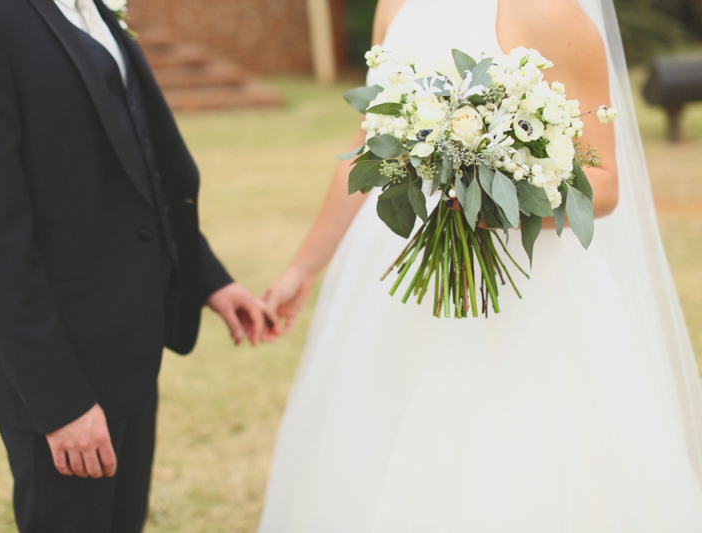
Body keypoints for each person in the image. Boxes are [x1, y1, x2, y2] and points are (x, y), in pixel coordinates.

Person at [258, 0, 702, 530]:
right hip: (405, 283)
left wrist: (499, 201)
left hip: (527, 288)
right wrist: (305, 267)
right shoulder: (394, 8)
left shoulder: (551, 15)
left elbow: (602, 185)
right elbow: (366, 145)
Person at [0, 0, 267, 530]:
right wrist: (60, 403)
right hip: (61, 371)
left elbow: (138, 167)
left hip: (131, 351)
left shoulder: (97, 12)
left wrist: (209, 278)